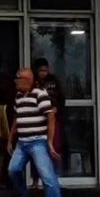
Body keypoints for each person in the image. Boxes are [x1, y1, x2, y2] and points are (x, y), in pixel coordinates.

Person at [8, 68, 65, 197]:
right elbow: (16, 118)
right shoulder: (19, 96)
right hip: (22, 141)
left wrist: (50, 141)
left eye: (18, 79)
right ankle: (22, 193)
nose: (16, 82)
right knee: (13, 169)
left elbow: (51, 117)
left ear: (27, 80)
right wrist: (10, 139)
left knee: (48, 178)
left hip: (38, 141)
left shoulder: (40, 93)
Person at [30, 58, 65, 187]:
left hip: (54, 119)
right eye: (41, 71)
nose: (43, 73)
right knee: (37, 149)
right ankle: (35, 180)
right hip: (38, 120)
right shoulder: (33, 83)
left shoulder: (54, 81)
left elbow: (61, 99)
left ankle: (55, 177)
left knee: (54, 148)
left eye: (45, 70)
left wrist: (57, 109)